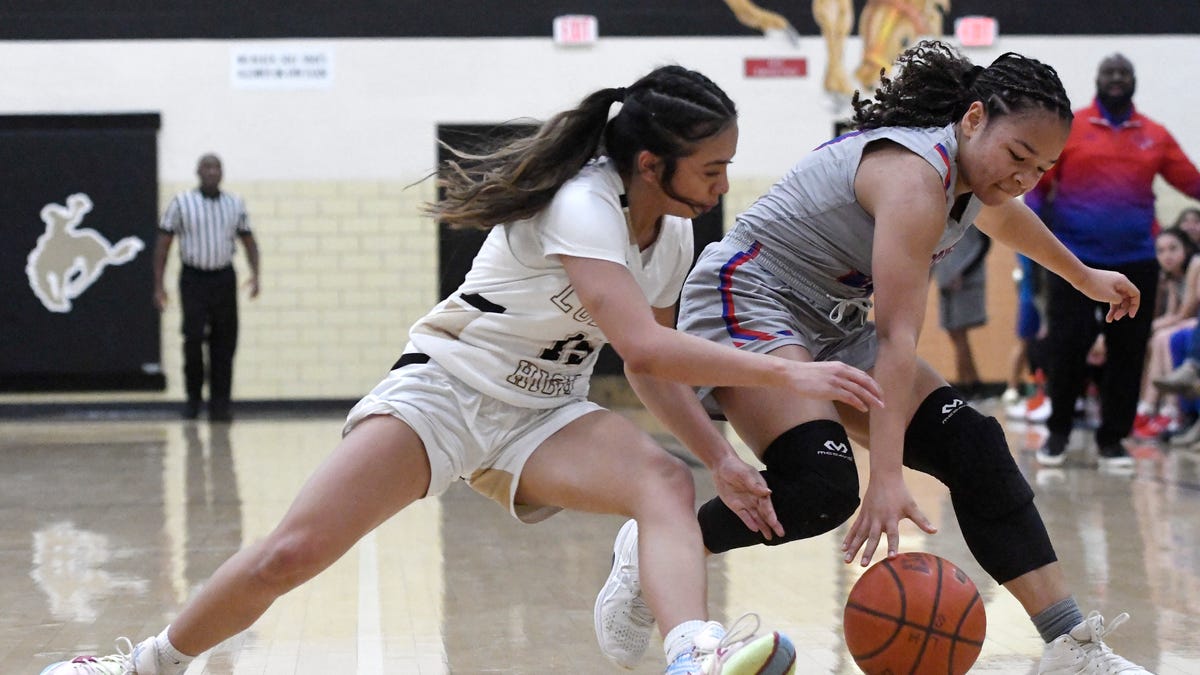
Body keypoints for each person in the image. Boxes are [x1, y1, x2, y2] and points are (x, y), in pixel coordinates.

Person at [41, 66, 885, 675]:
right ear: (650, 164)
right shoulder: (582, 202)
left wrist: (723, 456)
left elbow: (656, 369)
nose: (724, 183)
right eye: (712, 167)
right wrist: (793, 375)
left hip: (546, 407)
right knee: (293, 552)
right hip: (446, 391)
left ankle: (692, 649)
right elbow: (646, 349)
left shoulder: (667, 235)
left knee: (665, 481)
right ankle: (146, 662)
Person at [595, 41, 1152, 674]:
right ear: (972, 119)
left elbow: (1005, 216)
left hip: (830, 318)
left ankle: (1071, 647)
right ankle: (651, 549)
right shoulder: (914, 180)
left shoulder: (972, 177)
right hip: (751, 292)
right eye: (1017, 156)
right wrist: (887, 475)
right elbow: (895, 341)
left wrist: (1081, 276)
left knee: (974, 446)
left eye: (1041, 167)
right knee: (822, 489)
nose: (1023, 178)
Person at [1026, 53, 1200, 468]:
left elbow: (1192, 182)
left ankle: (1113, 440)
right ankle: (1058, 433)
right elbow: (1036, 185)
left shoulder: (1155, 135)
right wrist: (1033, 235)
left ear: (1134, 81)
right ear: (1098, 80)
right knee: (1066, 347)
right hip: (1074, 262)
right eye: (1110, 73)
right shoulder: (1072, 128)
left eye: (1124, 73)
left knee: (1128, 351)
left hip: (1136, 262)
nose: (1117, 79)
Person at [155, 154, 260, 422]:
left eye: (217, 168)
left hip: (223, 278)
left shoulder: (234, 204)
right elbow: (163, 245)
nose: (213, 173)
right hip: (193, 279)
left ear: (222, 173)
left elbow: (248, 241)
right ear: (198, 172)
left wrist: (255, 274)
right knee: (192, 341)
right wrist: (159, 285)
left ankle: (220, 405)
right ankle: (192, 402)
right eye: (207, 168)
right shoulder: (181, 203)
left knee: (224, 344)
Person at [1133, 227, 1197, 439]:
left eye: (1173, 249)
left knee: (1163, 337)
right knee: (1156, 339)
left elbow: (1185, 312)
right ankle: (1148, 408)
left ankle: (1172, 409)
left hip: (1194, 322)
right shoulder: (1171, 277)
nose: (1166, 256)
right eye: (1160, 251)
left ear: (1185, 249)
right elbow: (1171, 313)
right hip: (1187, 321)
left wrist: (1150, 327)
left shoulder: (1195, 264)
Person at [933, 224, 991, 398]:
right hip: (946, 280)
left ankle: (966, 385)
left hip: (963, 282)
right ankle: (973, 382)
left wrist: (963, 273)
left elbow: (984, 244)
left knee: (959, 335)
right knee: (956, 335)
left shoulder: (973, 212)